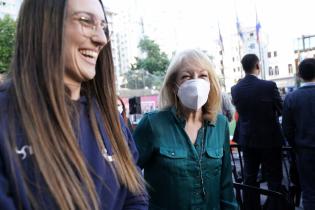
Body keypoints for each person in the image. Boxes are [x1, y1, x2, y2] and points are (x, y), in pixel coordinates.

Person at [0, 0, 147, 210]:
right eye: (86, 21)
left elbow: (135, 195)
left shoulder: (108, 117)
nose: (101, 39)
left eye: (103, 27)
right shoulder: (6, 116)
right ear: (44, 24)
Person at [134, 49, 238, 210]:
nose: (196, 83)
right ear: (174, 86)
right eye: (186, 76)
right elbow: (126, 178)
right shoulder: (152, 124)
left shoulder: (220, 124)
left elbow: (226, 187)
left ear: (210, 83)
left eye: (203, 76)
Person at [231, 54, 284, 209]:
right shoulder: (269, 86)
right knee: (274, 177)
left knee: (250, 176)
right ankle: (275, 206)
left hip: (248, 139)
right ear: (258, 66)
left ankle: (251, 207)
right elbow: (281, 109)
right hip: (270, 140)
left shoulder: (236, 89)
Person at [282, 58, 315, 210]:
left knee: (309, 192)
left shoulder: (291, 97)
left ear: (299, 74)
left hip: (304, 151)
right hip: (303, 149)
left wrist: (296, 145)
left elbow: (287, 128)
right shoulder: (292, 97)